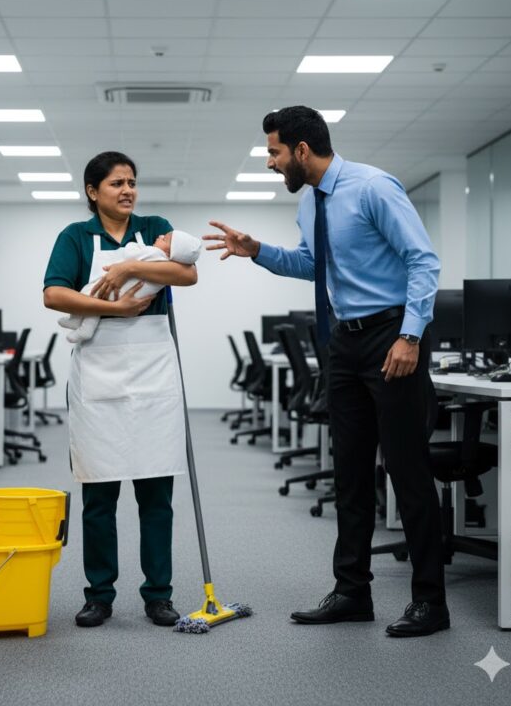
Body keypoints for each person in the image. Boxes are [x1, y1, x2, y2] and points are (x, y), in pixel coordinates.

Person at [204, 106, 448, 637]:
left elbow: (423, 261)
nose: (271, 163)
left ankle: (431, 601)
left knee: (407, 471)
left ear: (302, 151)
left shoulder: (372, 188)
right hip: (345, 342)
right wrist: (258, 252)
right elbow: (313, 264)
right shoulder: (311, 202)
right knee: (350, 474)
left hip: (392, 337)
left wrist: (410, 335)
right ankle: (351, 592)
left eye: (273, 152)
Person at [43, 151, 197, 628]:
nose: (127, 190)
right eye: (116, 183)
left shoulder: (154, 227)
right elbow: (53, 294)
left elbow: (186, 273)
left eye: (132, 182)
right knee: (99, 495)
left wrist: (128, 268)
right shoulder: (75, 236)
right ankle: (99, 595)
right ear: (93, 192)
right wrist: (113, 308)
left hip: (153, 369)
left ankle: (158, 595)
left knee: (156, 493)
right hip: (99, 370)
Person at [58, 229, 202, 343]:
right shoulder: (166, 264)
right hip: (134, 294)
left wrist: (132, 249)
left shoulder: (155, 253)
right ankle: (83, 325)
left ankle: (78, 320)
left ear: (169, 252)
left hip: (122, 289)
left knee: (88, 293)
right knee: (97, 300)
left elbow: (130, 254)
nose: (160, 235)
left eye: (164, 239)